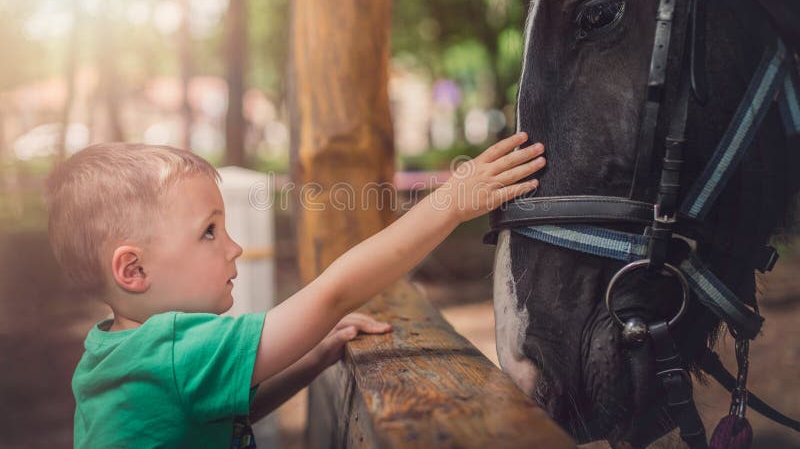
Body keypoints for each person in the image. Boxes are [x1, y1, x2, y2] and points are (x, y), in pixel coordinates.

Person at [43, 132, 545, 448]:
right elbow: (333, 293)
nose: (235, 248)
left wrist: (315, 355)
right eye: (209, 232)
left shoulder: (112, 352)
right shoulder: (172, 351)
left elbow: (229, 413)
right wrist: (452, 203)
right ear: (133, 269)